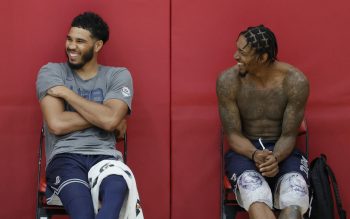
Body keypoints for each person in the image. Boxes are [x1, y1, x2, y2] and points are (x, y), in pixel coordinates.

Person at [36, 12, 142, 219]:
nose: (71, 46)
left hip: (106, 157)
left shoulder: (118, 76)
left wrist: (67, 94)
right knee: (82, 212)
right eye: (69, 39)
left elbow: (110, 120)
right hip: (65, 157)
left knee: (117, 186)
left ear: (98, 45)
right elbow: (57, 123)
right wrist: (105, 116)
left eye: (80, 41)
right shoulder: (51, 72)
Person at [216, 25, 310, 219]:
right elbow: (233, 134)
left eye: (242, 52)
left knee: (293, 207)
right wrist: (255, 153)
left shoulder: (295, 81)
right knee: (256, 200)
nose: (235, 56)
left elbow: (289, 135)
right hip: (245, 152)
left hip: (285, 151)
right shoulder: (228, 81)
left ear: (263, 57)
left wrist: (275, 158)